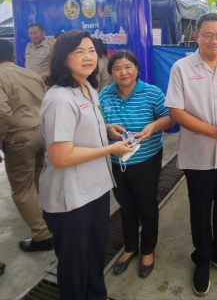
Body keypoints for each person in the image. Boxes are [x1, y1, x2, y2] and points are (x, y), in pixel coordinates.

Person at [39, 30, 134, 299]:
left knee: (94, 257)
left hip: (96, 190)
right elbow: (60, 156)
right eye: (79, 51)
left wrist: (106, 128)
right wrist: (110, 148)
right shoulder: (59, 98)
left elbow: (80, 129)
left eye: (91, 50)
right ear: (63, 57)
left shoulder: (88, 87)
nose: (88, 56)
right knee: (74, 268)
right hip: (71, 199)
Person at [165, 13, 217, 296]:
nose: (214, 41)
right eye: (208, 35)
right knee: (200, 211)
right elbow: (176, 112)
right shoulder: (182, 67)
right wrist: (212, 131)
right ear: (197, 37)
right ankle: (202, 258)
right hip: (198, 154)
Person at [99, 49, 173, 278]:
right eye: (117, 68)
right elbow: (98, 123)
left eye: (128, 67)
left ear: (137, 69)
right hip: (116, 161)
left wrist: (153, 127)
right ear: (111, 72)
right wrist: (106, 129)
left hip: (147, 159)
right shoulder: (104, 95)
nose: (123, 72)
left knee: (147, 205)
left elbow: (170, 117)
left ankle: (148, 249)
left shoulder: (151, 93)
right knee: (126, 206)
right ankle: (130, 247)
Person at [0, 39, 54, 252]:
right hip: (40, 133)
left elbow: (2, 112)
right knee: (38, 179)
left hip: (18, 138)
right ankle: (49, 221)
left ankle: (42, 235)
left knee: (22, 188)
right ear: (13, 56)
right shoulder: (31, 74)